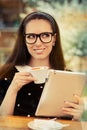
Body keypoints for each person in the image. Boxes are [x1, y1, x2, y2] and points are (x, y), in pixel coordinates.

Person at [0, 11, 84, 120]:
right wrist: (13, 89)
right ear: (24, 40)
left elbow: (69, 122)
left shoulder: (68, 77)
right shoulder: (6, 74)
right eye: (31, 36)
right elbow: (2, 120)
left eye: (45, 35)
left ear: (54, 39)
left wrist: (77, 116)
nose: (38, 43)